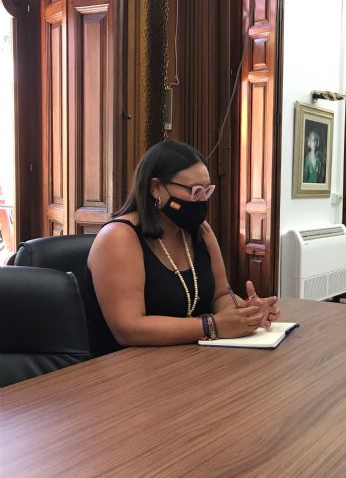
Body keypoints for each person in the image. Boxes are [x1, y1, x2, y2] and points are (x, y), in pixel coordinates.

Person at [86, 140, 280, 356]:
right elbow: (128, 328)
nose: (201, 200)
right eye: (194, 191)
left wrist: (247, 313)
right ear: (156, 188)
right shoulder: (119, 236)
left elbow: (219, 296)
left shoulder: (201, 231)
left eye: (206, 191)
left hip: (190, 356)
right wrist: (211, 326)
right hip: (128, 364)